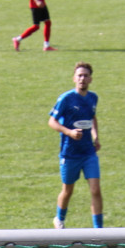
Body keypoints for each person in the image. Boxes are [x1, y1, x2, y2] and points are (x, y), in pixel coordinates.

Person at [48, 62, 103, 229]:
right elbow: (52, 121)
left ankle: (99, 230)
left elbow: (92, 117)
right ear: (74, 78)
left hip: (88, 153)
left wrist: (96, 137)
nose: (82, 78)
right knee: (68, 190)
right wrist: (69, 132)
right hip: (69, 154)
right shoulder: (66, 99)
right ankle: (59, 219)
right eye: (79, 75)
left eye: (86, 75)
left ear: (91, 79)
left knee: (95, 190)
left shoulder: (93, 98)